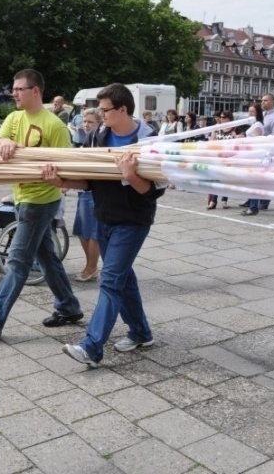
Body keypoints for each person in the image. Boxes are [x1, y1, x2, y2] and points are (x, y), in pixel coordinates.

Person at [43, 83, 165, 368]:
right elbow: (89, 179)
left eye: (105, 110)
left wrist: (130, 175)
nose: (101, 114)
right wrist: (63, 182)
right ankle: (140, 333)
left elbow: (154, 191)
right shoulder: (99, 135)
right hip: (104, 217)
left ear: (122, 109)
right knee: (123, 278)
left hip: (132, 221)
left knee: (110, 280)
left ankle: (92, 347)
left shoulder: (149, 140)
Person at [0, 69, 82, 339]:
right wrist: (6, 144)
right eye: (13, 89)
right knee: (47, 257)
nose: (14, 93)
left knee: (17, 261)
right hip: (21, 197)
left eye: (19, 89)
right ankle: (69, 306)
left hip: (41, 201)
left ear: (35, 91)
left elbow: (67, 172)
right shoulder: (15, 117)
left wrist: (58, 178)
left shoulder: (55, 126)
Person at [72, 108, 102, 281]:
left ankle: (92, 267)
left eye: (90, 122)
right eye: (85, 121)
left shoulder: (99, 139)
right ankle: (89, 265)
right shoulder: (86, 139)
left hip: (94, 191)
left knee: (92, 232)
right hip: (83, 190)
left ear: (98, 123)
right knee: (82, 230)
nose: (86, 124)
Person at [240, 104, 267, 216]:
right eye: (249, 111)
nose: (249, 114)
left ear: (257, 113)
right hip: (250, 156)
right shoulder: (255, 124)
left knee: (253, 182)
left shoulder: (257, 125)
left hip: (254, 157)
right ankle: (251, 204)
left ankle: (253, 207)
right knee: (251, 181)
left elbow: (258, 142)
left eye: (252, 112)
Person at [258, 93, 274, 211]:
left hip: (268, 151)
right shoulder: (263, 115)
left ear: (273, 102)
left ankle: (265, 201)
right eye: (262, 100)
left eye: (265, 100)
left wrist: (272, 153)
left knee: (267, 177)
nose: (262, 102)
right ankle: (253, 199)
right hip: (259, 150)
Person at [207, 111, 234, 209]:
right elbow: (211, 141)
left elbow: (239, 140)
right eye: (221, 117)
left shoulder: (234, 128)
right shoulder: (217, 128)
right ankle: (213, 201)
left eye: (224, 117)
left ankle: (224, 200)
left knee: (226, 179)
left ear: (229, 118)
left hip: (229, 157)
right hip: (218, 156)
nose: (221, 119)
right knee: (216, 178)